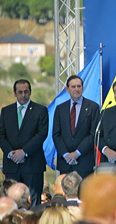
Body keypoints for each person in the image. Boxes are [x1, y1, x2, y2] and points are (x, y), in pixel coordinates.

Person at [0, 79, 48, 207]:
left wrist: (24, 152)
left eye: (26, 92)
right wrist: (11, 153)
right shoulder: (6, 111)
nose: (23, 95)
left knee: (33, 204)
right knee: (11, 203)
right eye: (20, 92)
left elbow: (41, 134)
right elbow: (1, 135)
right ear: (15, 93)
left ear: (30, 92)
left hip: (33, 165)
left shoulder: (40, 110)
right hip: (12, 165)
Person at [53, 75, 100, 179]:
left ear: (82, 88)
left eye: (79, 86)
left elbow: (93, 134)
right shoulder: (60, 108)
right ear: (67, 89)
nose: (76, 89)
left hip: (84, 162)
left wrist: (77, 153)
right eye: (73, 87)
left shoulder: (93, 107)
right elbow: (56, 134)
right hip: (65, 163)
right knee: (66, 194)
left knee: (84, 194)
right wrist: (66, 154)